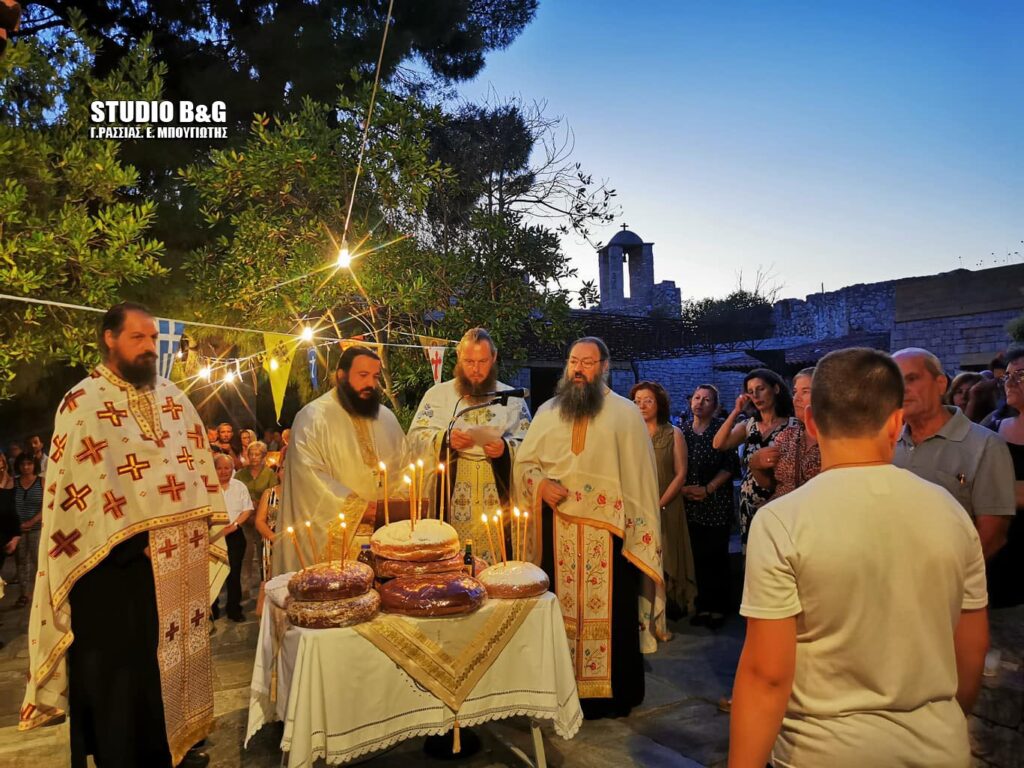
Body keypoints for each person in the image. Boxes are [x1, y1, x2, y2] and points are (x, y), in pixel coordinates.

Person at [730, 348, 989, 768]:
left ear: (812, 422)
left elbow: (767, 675)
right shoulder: (951, 512)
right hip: (938, 746)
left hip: (820, 751)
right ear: (896, 422)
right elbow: (972, 647)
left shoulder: (781, 521)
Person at [20, 302, 226, 768]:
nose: (150, 347)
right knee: (120, 678)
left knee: (167, 664)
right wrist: (133, 538)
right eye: (138, 337)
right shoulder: (82, 403)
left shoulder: (174, 400)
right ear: (109, 338)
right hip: (109, 574)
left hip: (175, 569)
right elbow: (75, 501)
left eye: (153, 338)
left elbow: (196, 474)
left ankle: (173, 746)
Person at [515, 337, 664, 719]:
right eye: (573, 361)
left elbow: (640, 480)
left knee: (614, 615)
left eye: (587, 362)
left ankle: (611, 697)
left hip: (611, 537)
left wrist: (638, 531)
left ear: (604, 367)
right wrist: (541, 485)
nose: (578, 369)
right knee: (557, 612)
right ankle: (561, 691)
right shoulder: (547, 412)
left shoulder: (626, 414)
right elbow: (524, 464)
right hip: (557, 530)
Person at [274, 346, 408, 573]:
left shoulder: (387, 418)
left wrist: (397, 504)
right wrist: (360, 508)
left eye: (375, 376)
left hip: (387, 539)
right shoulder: (312, 417)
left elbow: (405, 468)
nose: (370, 383)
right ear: (341, 376)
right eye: (362, 375)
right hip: (341, 541)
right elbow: (308, 480)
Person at [408, 328, 531, 564]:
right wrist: (445, 439)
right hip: (452, 493)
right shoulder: (438, 395)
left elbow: (529, 447)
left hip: (495, 494)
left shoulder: (512, 398)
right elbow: (414, 439)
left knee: (497, 560)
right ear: (458, 357)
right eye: (469, 361)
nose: (476, 369)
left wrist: (505, 449)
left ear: (494, 358)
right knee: (454, 559)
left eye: (482, 361)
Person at [892, 347, 1015, 561]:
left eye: (911, 379)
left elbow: (992, 535)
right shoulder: (884, 444)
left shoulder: (985, 445)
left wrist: (945, 576)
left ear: (940, 384)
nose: (902, 390)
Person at [630, 380, 693, 637]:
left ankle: (661, 623)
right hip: (637, 507)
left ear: (659, 403)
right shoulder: (630, 434)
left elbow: (681, 474)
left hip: (666, 506)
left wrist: (659, 504)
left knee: (663, 562)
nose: (642, 406)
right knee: (641, 563)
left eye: (648, 400)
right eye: (637, 401)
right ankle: (643, 621)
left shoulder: (673, 433)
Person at [712, 368, 795, 543]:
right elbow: (718, 444)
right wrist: (736, 411)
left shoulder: (793, 425)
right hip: (749, 503)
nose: (756, 395)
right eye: (750, 392)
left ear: (776, 389)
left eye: (761, 389)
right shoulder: (748, 425)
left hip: (782, 500)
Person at [679, 384, 737, 629]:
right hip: (690, 503)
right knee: (697, 557)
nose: (700, 403)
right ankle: (702, 605)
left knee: (717, 556)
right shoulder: (682, 431)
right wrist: (684, 489)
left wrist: (708, 489)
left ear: (715, 406)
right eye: (697, 398)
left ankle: (718, 608)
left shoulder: (719, 429)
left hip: (715, 501)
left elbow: (730, 465)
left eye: (706, 400)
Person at [748, 367, 822, 501]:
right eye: (795, 392)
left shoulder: (839, 438)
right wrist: (755, 465)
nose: (796, 398)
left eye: (805, 391)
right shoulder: (786, 436)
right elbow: (773, 485)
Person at [986, 348, 1024, 607]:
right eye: (1007, 376)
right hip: (1002, 554)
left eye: (1020, 375)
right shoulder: (993, 428)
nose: (1010, 382)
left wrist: (992, 492)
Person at [212, 453, 254, 622]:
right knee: (213, 573)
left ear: (232, 469)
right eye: (219, 468)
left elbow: (247, 509)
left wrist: (234, 525)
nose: (223, 472)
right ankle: (212, 610)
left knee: (234, 573)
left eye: (227, 468)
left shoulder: (239, 486)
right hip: (213, 536)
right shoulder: (207, 487)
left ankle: (234, 608)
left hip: (235, 535)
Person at [235, 439, 277, 597]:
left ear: (263, 456)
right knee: (246, 552)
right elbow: (236, 493)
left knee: (263, 553)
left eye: (257, 454)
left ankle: (264, 586)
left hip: (263, 518)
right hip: (244, 517)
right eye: (251, 454)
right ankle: (244, 586)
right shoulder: (241, 474)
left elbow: (272, 494)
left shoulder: (269, 474)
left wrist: (259, 504)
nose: (253, 457)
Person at [13, 452, 43, 608]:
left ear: (34, 465)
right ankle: (24, 594)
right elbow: (8, 505)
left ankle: (39, 592)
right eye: (22, 464)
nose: (26, 467)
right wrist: (17, 524)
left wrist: (32, 521)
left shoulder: (41, 482)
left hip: (37, 528)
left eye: (29, 464)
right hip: (17, 530)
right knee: (21, 561)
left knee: (38, 560)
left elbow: (47, 505)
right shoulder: (13, 483)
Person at [254, 463, 284, 614]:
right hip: (271, 542)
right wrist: (274, 538)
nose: (285, 472)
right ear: (278, 473)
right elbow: (259, 521)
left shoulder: (300, 494)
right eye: (282, 469)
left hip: (292, 543)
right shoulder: (269, 493)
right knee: (269, 579)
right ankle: (264, 616)